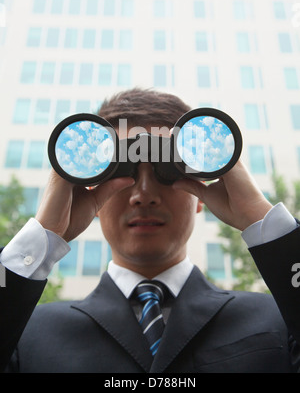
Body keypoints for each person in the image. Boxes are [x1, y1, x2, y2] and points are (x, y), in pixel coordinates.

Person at [1, 87, 300, 373]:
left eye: (168, 171)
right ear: (92, 191)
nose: (143, 194)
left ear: (199, 196)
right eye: (121, 172)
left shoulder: (280, 319)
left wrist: (260, 219)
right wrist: (43, 236)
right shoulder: (24, 332)